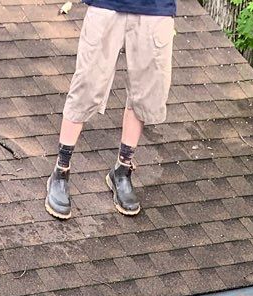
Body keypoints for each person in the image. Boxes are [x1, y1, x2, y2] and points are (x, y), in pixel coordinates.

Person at [46, 0, 176, 221]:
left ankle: (122, 170)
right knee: (86, 86)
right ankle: (60, 171)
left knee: (144, 94)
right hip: (106, 5)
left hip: (156, 9)